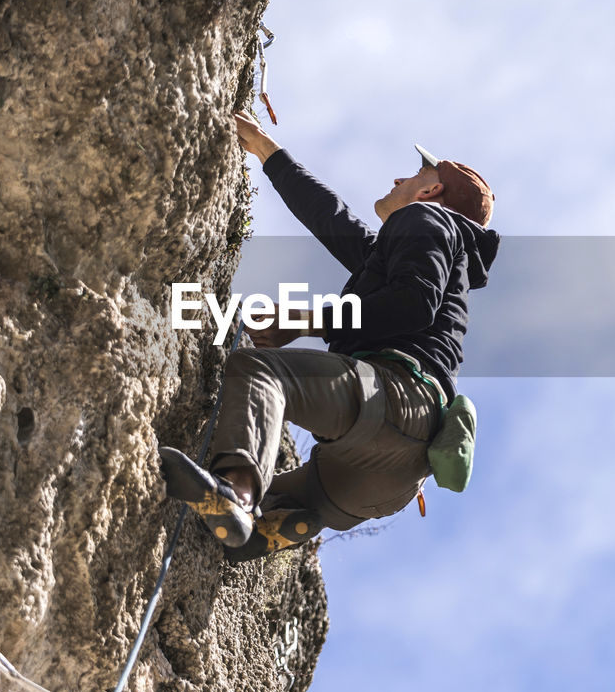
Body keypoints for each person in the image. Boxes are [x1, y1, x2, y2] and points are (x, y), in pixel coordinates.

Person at [159, 110, 500, 561]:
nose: (399, 177)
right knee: (298, 496)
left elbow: (413, 305)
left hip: (395, 398)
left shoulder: (423, 219)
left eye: (415, 173)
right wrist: (266, 150)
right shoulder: (415, 245)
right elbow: (331, 218)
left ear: (430, 191)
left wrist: (302, 321)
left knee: (261, 371)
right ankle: (273, 524)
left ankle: (237, 494)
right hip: (390, 479)